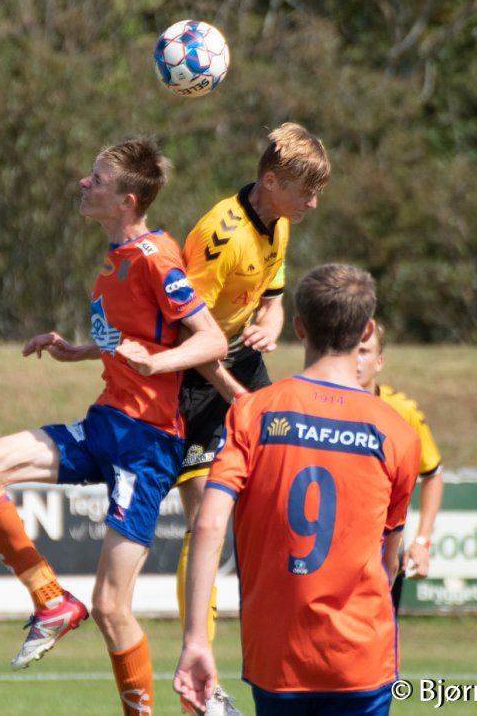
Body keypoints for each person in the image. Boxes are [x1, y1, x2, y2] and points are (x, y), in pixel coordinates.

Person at [0, 137, 227, 715]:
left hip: (147, 444)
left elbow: (211, 340)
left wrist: (158, 364)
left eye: (96, 179)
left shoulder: (155, 257)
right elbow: (134, 337)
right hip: (105, 424)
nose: (84, 183)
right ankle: (51, 600)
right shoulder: (117, 257)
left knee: (111, 607)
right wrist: (79, 350)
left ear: (127, 201)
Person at [174, 264, 421, 716]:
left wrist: (195, 639)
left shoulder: (253, 412)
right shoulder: (398, 433)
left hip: (277, 656)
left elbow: (208, 526)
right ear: (367, 330)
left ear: (299, 326)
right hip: (361, 657)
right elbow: (390, 556)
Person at [174, 122, 331, 643]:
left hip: (241, 362)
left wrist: (270, 323)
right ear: (270, 181)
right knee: (204, 520)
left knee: (281, 492)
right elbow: (185, 331)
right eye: (306, 191)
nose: (313, 203)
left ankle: (290, 623)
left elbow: (273, 300)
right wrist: (230, 392)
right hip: (191, 375)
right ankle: (199, 649)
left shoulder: (279, 223)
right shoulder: (221, 236)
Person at [356, 321, 444, 610]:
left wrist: (422, 541)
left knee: (381, 633)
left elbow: (432, 474)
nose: (356, 360)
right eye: (350, 350)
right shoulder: (321, 405)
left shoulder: (402, 411)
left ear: (380, 361)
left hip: (384, 549)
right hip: (333, 547)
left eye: (364, 351)